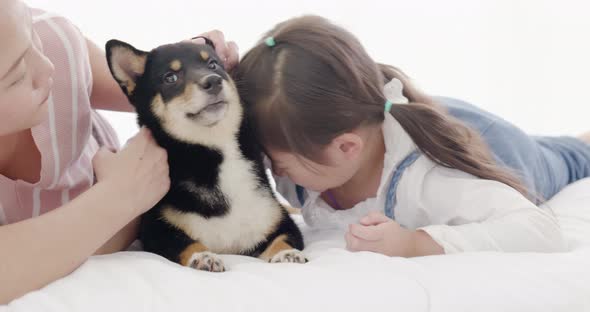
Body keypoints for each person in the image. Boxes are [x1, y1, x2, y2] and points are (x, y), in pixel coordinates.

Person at [233, 15, 590, 258]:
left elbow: (540, 230)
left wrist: (415, 243)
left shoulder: (433, 180)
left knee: (568, 157)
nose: (271, 172)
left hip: (495, 146)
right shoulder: (299, 141)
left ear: (345, 147)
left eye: (278, 164)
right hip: (403, 117)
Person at [0, 0, 238, 303]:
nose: (46, 68)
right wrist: (120, 198)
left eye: (30, 35)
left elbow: (146, 90)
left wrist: (185, 63)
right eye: (18, 74)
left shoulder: (55, 41)